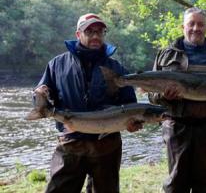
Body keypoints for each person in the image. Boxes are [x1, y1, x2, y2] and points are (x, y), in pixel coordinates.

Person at [34, 13, 142, 193]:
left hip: (108, 146)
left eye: (100, 31)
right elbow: (40, 97)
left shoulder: (116, 68)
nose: (95, 36)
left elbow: (130, 104)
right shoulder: (56, 64)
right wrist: (39, 94)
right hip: (70, 143)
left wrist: (133, 124)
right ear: (78, 34)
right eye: (89, 31)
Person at [148, 7, 206, 193]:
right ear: (183, 26)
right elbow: (151, 97)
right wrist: (163, 95)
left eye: (200, 24)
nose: (195, 28)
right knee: (176, 182)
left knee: (203, 182)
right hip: (176, 125)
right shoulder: (166, 55)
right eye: (191, 24)